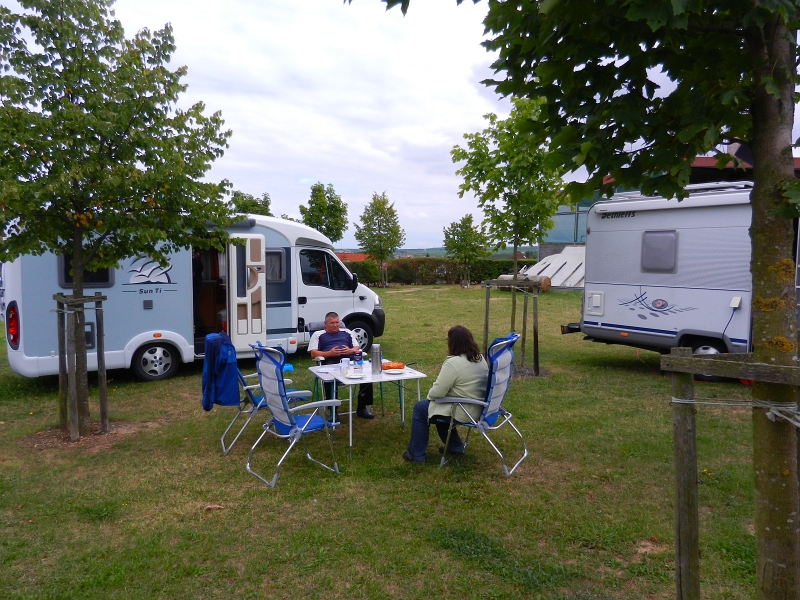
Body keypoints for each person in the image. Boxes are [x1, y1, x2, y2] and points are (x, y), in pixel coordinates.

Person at [403, 325, 489, 464]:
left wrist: (431, 397)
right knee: (438, 408)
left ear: (452, 343)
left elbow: (438, 392)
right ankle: (455, 447)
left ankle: (416, 455)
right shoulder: (479, 358)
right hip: (479, 407)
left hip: (463, 409)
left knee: (422, 407)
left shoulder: (453, 363)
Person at [309, 312, 375, 419]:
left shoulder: (347, 332)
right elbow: (313, 353)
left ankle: (362, 408)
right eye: (332, 323)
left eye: (337, 322)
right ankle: (333, 411)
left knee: (366, 377)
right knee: (330, 378)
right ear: (325, 323)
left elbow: (356, 348)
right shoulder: (318, 335)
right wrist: (328, 354)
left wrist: (350, 351)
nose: (335, 325)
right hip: (330, 363)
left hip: (349, 361)